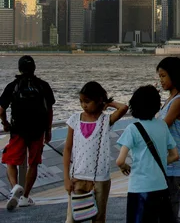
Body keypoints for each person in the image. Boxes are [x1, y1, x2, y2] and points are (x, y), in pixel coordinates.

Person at [64, 82, 128, 223]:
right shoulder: (75, 119)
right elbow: (67, 149)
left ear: (99, 100)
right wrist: (66, 178)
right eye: (81, 101)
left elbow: (123, 108)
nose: (83, 105)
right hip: (77, 177)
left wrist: (107, 103)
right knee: (72, 218)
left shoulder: (105, 120)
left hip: (100, 178)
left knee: (98, 218)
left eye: (87, 101)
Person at [116, 85, 179, 222]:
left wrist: (124, 167)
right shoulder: (162, 125)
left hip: (139, 188)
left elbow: (120, 160)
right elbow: (175, 155)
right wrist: (160, 162)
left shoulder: (132, 129)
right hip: (161, 186)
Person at [0, 56, 55, 211]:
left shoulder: (13, 85)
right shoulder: (43, 86)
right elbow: (49, 110)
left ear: (19, 68)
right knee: (33, 163)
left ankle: (14, 188)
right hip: (38, 130)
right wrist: (48, 130)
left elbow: (1, 110)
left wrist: (5, 124)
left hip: (18, 131)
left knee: (10, 160)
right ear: (34, 68)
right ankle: (25, 197)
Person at [157, 57, 180, 222]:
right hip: (167, 164)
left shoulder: (178, 101)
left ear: (174, 75)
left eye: (163, 76)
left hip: (173, 166)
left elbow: (161, 128)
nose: (161, 80)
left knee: (169, 214)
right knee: (165, 212)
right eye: (160, 76)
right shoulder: (170, 100)